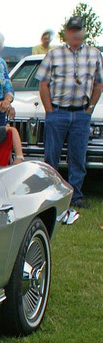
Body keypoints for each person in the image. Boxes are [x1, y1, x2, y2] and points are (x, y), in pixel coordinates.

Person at [36, 16, 103, 208]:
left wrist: (90, 108)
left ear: (83, 32)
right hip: (57, 112)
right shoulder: (54, 54)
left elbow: (99, 83)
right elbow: (43, 84)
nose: (75, 33)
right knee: (51, 157)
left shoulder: (95, 54)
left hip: (81, 114)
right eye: (72, 30)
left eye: (78, 30)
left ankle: (75, 196)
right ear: (66, 33)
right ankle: (50, 194)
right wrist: (49, 111)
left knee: (78, 158)